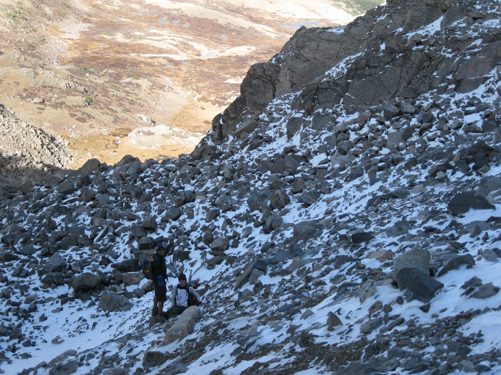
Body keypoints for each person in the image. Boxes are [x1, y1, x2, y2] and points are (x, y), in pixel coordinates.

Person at [151, 243, 168, 318]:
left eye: (162, 249)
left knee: (157, 294)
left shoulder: (158, 256)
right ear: (157, 251)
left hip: (156, 280)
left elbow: (166, 251)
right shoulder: (158, 258)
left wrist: (170, 244)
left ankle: (155, 309)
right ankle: (160, 313)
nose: (162, 251)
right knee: (161, 296)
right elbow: (156, 268)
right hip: (159, 280)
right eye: (160, 249)